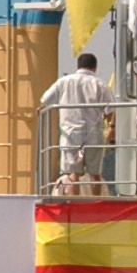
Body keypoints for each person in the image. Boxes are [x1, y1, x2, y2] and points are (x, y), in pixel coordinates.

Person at [40, 52, 109, 188]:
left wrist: (40, 109)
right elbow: (111, 110)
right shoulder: (99, 84)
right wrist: (112, 128)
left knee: (73, 175)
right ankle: (95, 203)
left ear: (78, 66)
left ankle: (74, 202)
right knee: (95, 175)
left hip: (70, 136)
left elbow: (45, 101)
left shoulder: (63, 82)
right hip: (93, 137)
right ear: (94, 68)